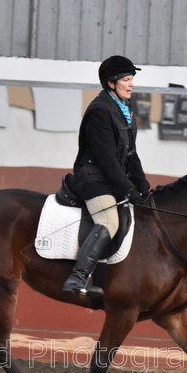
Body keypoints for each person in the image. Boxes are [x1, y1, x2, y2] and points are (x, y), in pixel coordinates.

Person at [61, 55, 151, 298]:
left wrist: (143, 186)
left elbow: (130, 154)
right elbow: (107, 160)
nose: (131, 84)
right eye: (126, 80)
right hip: (93, 178)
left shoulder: (124, 109)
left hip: (110, 178)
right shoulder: (100, 111)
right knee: (109, 221)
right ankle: (78, 277)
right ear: (111, 83)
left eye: (132, 79)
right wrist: (128, 190)